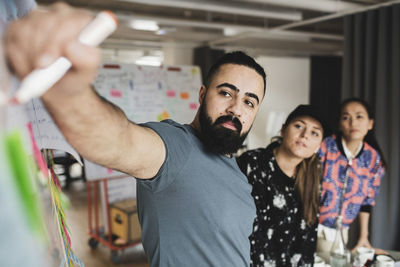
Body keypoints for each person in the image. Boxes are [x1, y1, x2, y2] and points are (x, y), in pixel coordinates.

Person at [4, 3, 267, 266]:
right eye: (225, 93)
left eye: (249, 102)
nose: (235, 109)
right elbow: (120, 141)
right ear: (202, 95)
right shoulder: (176, 148)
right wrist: (68, 87)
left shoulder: (235, 171)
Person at [237, 105, 327, 267]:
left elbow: (309, 236)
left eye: (314, 133)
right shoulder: (252, 163)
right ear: (283, 130)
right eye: (299, 126)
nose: (305, 135)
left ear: (319, 144)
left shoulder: (314, 175)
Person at [317, 98, 386, 254]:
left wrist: (364, 237)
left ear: (370, 123)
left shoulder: (373, 159)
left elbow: (367, 201)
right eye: (346, 117)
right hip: (310, 225)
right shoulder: (324, 146)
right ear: (340, 124)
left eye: (359, 116)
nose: (353, 122)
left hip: (341, 232)